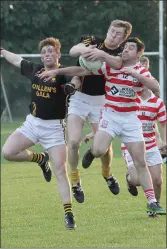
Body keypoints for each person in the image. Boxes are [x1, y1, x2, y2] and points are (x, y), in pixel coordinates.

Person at [37, 37, 164, 215]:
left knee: (141, 162)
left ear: (139, 53)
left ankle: (152, 202)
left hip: (130, 120)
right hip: (111, 117)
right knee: (98, 151)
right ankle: (92, 153)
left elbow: (156, 87)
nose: (125, 50)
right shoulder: (110, 67)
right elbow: (81, 70)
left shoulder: (140, 70)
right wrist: (57, 71)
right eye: (125, 47)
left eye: (130, 48)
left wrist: (137, 76)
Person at [38, 20, 132, 203]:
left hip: (103, 102)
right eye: (112, 30)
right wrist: (85, 50)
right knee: (73, 142)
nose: (113, 35)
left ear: (122, 39)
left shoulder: (120, 53)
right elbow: (74, 50)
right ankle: (75, 181)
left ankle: (107, 174)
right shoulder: (93, 41)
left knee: (104, 148)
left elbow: (117, 63)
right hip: (80, 99)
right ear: (108, 30)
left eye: (118, 34)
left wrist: (101, 55)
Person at [1, 37, 77, 229]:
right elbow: (17, 60)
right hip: (33, 124)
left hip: (54, 129)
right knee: (8, 152)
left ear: (58, 54)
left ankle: (69, 214)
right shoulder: (35, 70)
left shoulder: (63, 74)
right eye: (44, 52)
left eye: (51, 51)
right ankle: (40, 159)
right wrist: (2, 51)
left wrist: (73, 86)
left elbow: (77, 77)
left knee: (60, 170)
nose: (47, 54)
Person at [121, 87, 166, 215]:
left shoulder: (157, 102)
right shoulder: (129, 98)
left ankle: (153, 207)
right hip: (131, 145)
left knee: (157, 180)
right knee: (137, 179)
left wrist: (163, 142)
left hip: (151, 146)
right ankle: (130, 180)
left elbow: (160, 125)